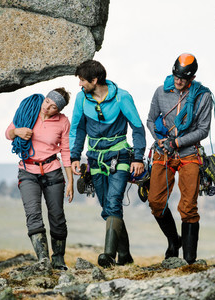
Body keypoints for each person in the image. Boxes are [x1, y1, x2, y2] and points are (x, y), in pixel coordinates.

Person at [70, 60, 146, 268]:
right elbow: (78, 129)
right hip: (94, 158)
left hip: (120, 157)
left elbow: (138, 128)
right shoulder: (81, 99)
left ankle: (108, 255)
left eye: (83, 80)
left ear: (95, 80)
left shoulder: (122, 97)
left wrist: (138, 158)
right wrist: (75, 157)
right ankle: (125, 255)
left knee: (113, 202)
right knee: (107, 207)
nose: (80, 84)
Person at [146, 53, 213, 264]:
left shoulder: (203, 97)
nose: (179, 80)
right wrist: (159, 140)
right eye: (176, 75)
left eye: (184, 77)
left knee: (188, 207)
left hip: (189, 153)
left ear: (192, 77)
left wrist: (177, 142)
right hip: (163, 152)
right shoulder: (160, 91)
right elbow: (150, 120)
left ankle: (190, 261)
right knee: (156, 202)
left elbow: (203, 130)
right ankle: (174, 241)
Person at [5, 88, 73, 270]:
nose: (48, 107)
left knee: (57, 216)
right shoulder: (30, 109)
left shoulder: (63, 122)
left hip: (53, 171)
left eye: (53, 106)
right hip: (27, 171)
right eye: (48, 101)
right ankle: (43, 260)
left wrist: (71, 182)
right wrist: (17, 132)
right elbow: (8, 133)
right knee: (33, 215)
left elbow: (66, 151)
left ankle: (58, 259)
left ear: (59, 110)